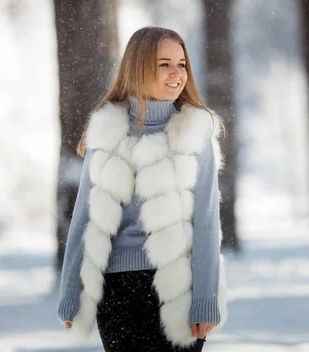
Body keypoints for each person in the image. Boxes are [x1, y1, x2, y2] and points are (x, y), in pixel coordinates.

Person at [57, 26, 228, 351]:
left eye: (182, 64)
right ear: (138, 67)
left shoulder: (195, 132)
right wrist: (70, 292)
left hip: (179, 290)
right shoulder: (107, 131)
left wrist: (206, 298)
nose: (177, 74)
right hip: (117, 291)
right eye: (164, 64)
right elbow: (84, 218)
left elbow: (207, 222)